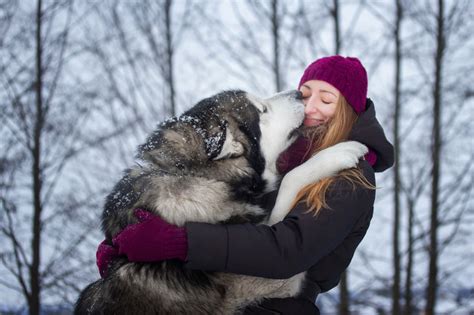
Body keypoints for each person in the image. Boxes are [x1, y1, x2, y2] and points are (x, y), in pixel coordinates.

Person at [97, 55, 394, 314]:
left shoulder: (351, 174)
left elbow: (287, 250)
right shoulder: (283, 161)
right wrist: (132, 264)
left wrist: (178, 242)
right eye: (304, 95)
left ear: (348, 111)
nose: (310, 107)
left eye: (327, 99)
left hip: (275, 306)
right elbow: (233, 231)